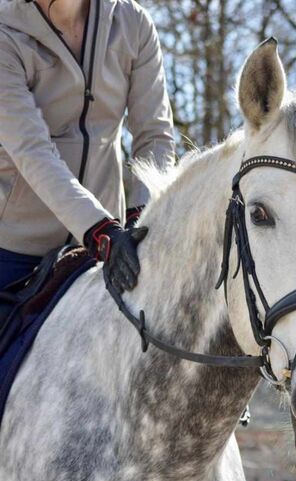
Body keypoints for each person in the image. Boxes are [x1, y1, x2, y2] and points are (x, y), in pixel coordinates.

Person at [0, 0, 175, 294]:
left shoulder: (133, 23)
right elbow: (32, 151)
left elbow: (154, 135)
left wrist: (143, 219)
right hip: (16, 247)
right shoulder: (5, 34)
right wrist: (99, 229)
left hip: (108, 245)